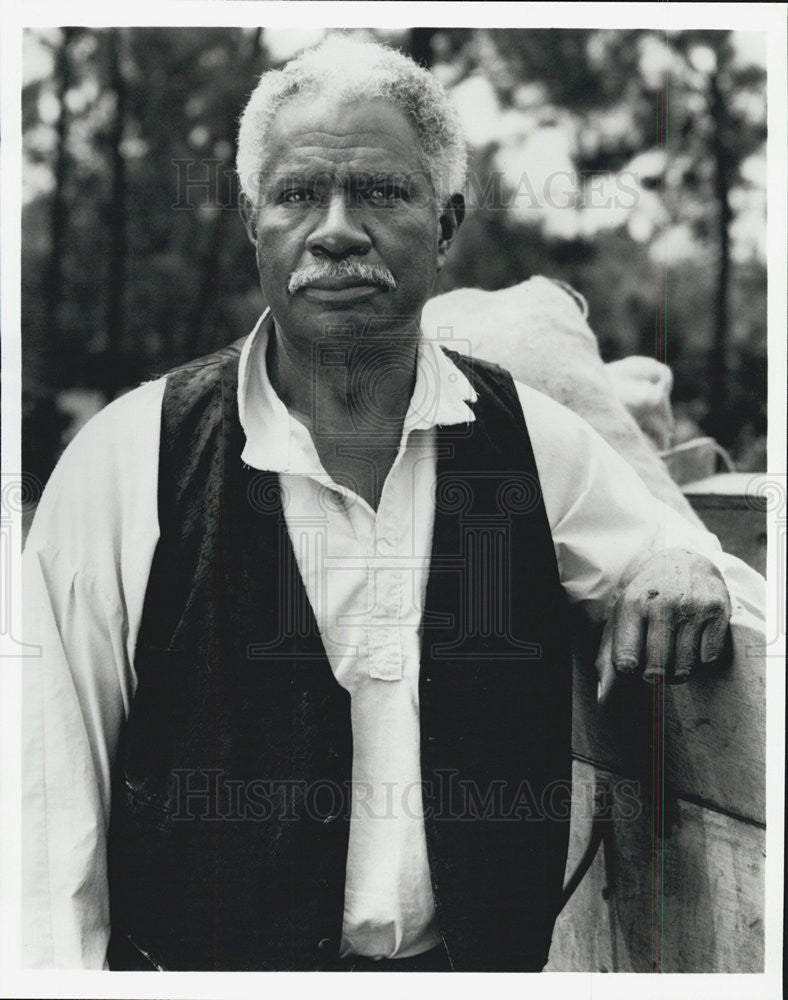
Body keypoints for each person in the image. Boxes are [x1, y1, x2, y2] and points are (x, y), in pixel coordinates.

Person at [22, 35, 765, 973]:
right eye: (297, 194)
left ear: (446, 222)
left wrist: (679, 562)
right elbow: (46, 809)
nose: (336, 228)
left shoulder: (530, 440)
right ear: (255, 221)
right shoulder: (128, 459)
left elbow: (702, 569)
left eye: (381, 191)